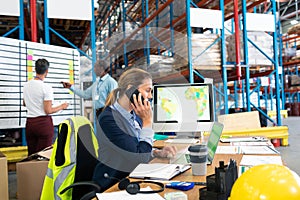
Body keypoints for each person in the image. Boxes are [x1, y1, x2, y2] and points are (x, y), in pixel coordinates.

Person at [92, 68, 177, 192]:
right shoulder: (109, 119)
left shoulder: (134, 115)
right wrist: (148, 122)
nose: (150, 96)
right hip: (113, 185)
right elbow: (139, 157)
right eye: (148, 90)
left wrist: (156, 153)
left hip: (130, 177)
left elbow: (136, 147)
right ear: (131, 89)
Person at [23, 58, 69, 155]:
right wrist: (62, 106)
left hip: (30, 124)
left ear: (35, 69)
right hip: (43, 124)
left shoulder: (26, 85)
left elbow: (24, 103)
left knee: (31, 155)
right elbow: (48, 110)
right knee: (44, 156)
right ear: (47, 71)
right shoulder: (46, 87)